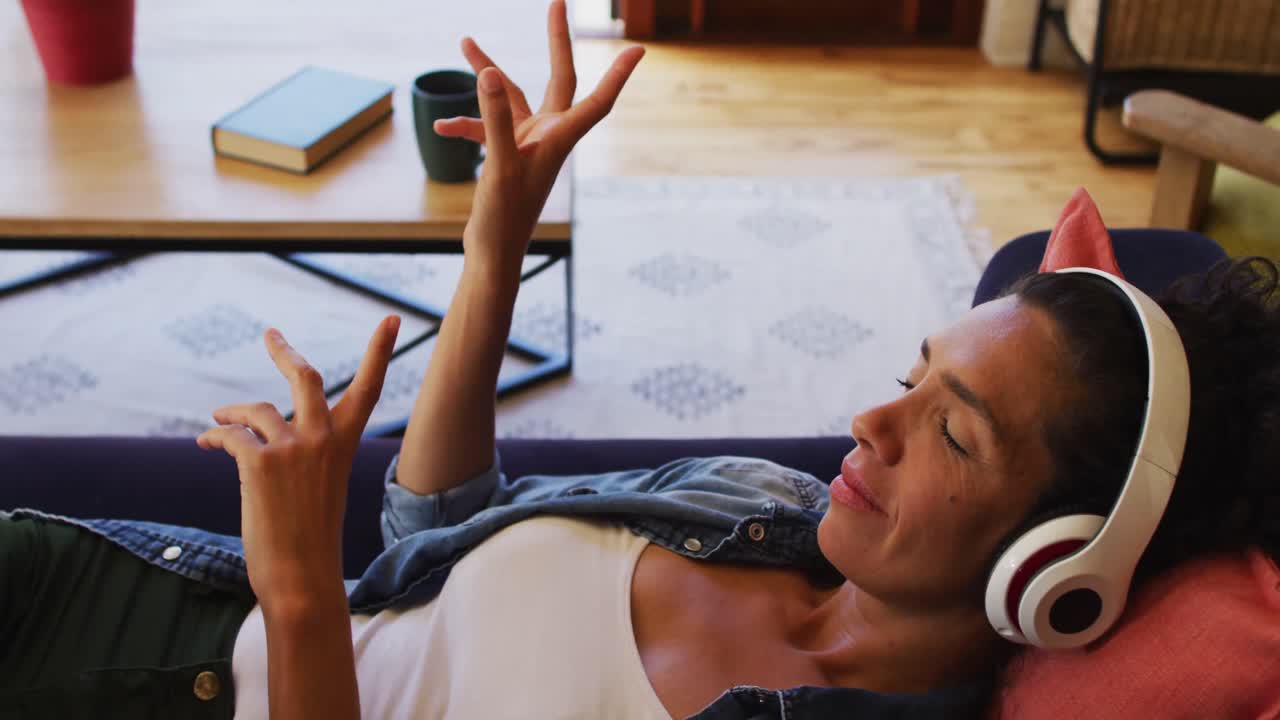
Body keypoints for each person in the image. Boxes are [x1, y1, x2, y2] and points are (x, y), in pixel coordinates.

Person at [3, 3, 1278, 718]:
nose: (868, 425)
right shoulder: (767, 513)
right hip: (152, 598)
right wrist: (495, 242)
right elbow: (436, 536)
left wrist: (299, 599)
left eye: (954, 434)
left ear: (1056, 572)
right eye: (910, 379)